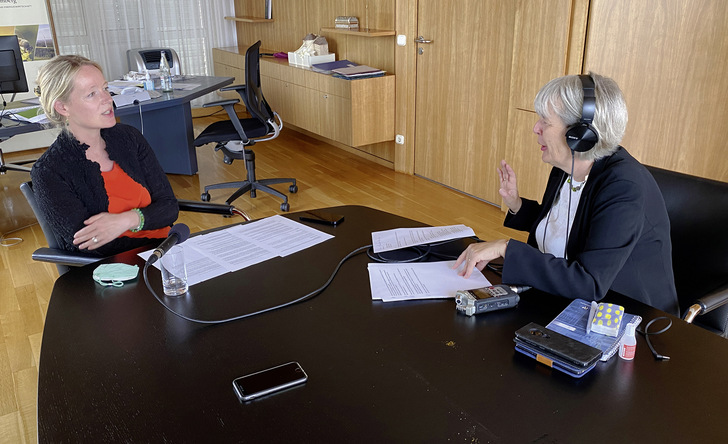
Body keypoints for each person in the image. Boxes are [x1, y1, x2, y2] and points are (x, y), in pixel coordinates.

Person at [454, 73, 679, 315]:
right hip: (567, 299)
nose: (535, 128)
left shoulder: (624, 187)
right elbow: (568, 226)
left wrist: (506, 248)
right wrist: (517, 205)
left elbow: (590, 282)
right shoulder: (568, 167)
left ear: (580, 135)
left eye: (546, 122)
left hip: (631, 321)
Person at [31, 54, 178, 257]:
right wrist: (150, 238)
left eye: (105, 89)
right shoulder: (49, 171)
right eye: (92, 94)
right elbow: (90, 244)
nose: (108, 99)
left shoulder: (128, 138)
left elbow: (169, 207)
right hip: (117, 269)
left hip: (166, 249)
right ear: (63, 107)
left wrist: (126, 220)